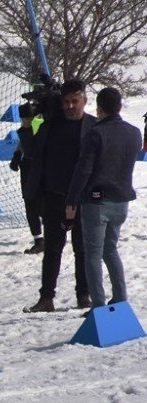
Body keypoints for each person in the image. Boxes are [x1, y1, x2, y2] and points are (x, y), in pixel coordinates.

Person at [18, 79, 96, 313]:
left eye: (75, 101)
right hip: (54, 197)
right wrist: (26, 126)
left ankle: (84, 296)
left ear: (84, 101)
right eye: (66, 102)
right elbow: (32, 152)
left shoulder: (93, 126)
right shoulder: (50, 125)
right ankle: (46, 299)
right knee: (53, 249)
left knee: (83, 249)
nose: (71, 106)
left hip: (84, 198)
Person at [65, 87, 142, 311]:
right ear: (119, 106)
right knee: (111, 250)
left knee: (93, 254)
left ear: (99, 108)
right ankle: (120, 298)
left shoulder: (96, 133)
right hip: (122, 202)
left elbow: (83, 170)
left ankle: (98, 305)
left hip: (97, 202)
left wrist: (72, 199)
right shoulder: (134, 132)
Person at [9, 112, 46, 254]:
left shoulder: (43, 120)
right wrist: (17, 155)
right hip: (28, 166)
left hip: (43, 166)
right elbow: (25, 141)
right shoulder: (30, 123)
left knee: (44, 205)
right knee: (30, 203)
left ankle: (51, 235)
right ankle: (38, 240)